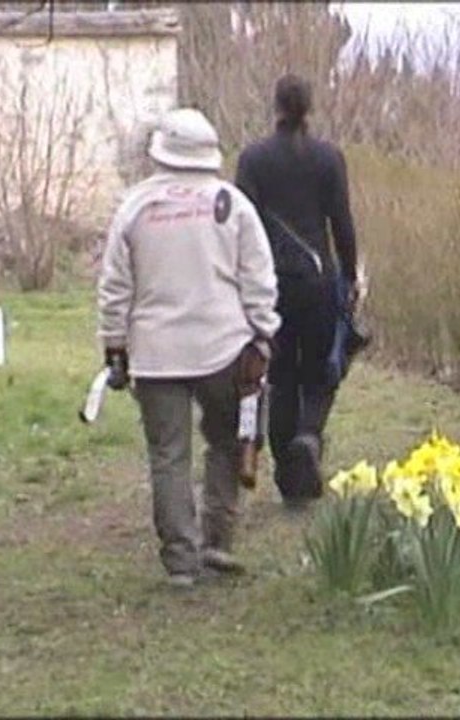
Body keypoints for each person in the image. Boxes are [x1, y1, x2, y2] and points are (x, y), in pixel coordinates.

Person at [97, 108, 280, 588]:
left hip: (155, 353)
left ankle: (180, 560)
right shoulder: (232, 204)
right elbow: (258, 277)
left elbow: (115, 286)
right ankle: (217, 539)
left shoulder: (135, 207)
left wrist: (114, 344)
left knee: (168, 456)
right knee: (227, 441)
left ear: (161, 152)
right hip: (224, 348)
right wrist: (264, 331)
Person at [235, 74, 360, 510]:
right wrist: (350, 276)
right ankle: (309, 436)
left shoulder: (253, 159)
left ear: (275, 107)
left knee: (281, 375)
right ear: (309, 109)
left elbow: (240, 226)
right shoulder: (328, 158)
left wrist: (240, 281)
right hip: (318, 281)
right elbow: (341, 223)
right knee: (323, 371)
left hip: (269, 284)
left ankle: (290, 479)